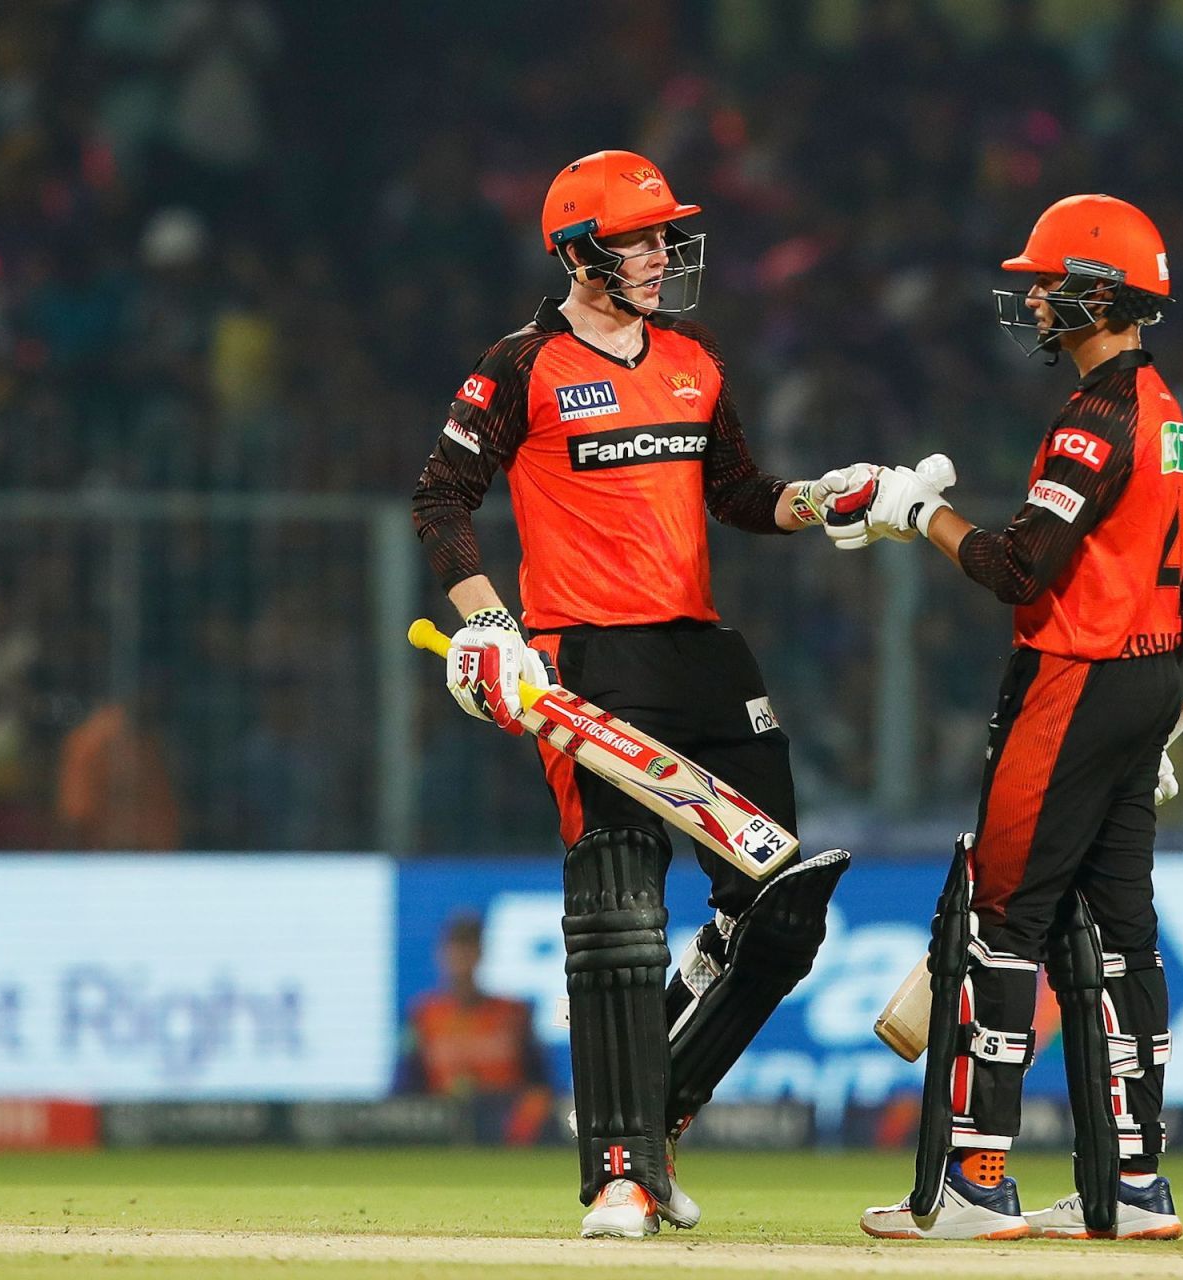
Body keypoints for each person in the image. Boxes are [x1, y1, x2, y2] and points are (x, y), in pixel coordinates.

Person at [410, 150, 866, 1239]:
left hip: (701, 655)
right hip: (584, 662)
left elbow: (741, 496)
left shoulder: (697, 365)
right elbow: (441, 500)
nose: (664, 253)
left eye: (667, 236)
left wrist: (832, 499)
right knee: (618, 905)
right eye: (643, 238)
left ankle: (656, 1111)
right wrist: (490, 625)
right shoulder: (518, 366)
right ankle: (618, 1170)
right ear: (579, 252)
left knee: (782, 899)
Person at [834, 194, 1183, 1241]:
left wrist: (920, 514)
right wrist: (1149, 708)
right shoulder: (1167, 409)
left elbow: (1017, 568)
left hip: (1073, 683)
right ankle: (1136, 1186)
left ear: (1100, 291)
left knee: (1002, 920)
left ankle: (976, 1180)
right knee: (1126, 935)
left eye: (1051, 280)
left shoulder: (1095, 417)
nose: (1037, 297)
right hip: (1141, 677)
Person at [394, 912, 547, 1098]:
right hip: (444, 1121)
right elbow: (404, 1089)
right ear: (441, 954)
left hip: (504, 1122)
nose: (462, 959)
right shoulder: (422, 1016)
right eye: (456, 948)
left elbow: (541, 1085)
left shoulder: (514, 1014)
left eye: (469, 948)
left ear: (481, 952)